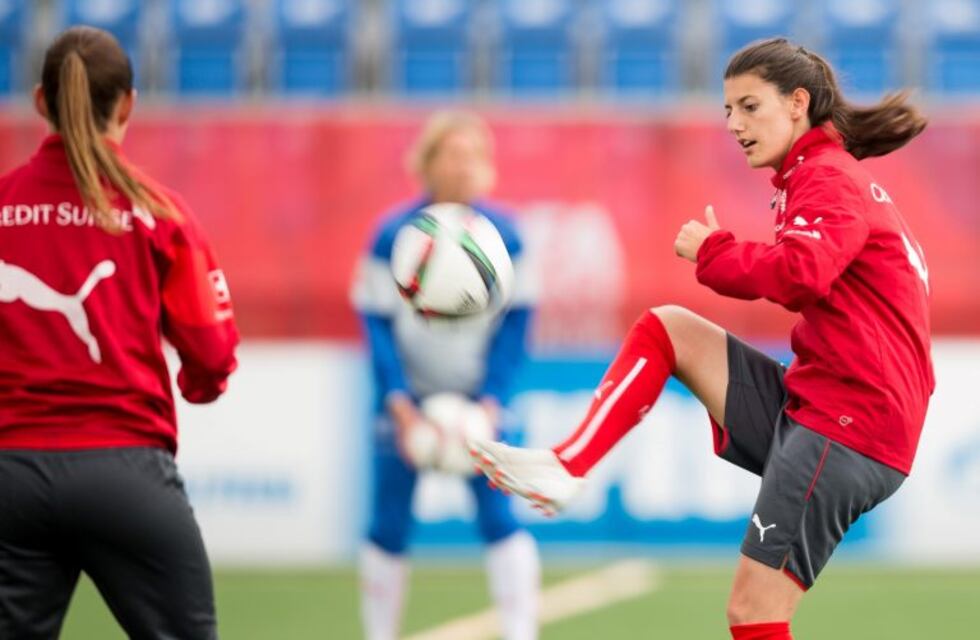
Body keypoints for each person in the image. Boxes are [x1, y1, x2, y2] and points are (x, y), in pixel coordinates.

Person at [471, 37, 933, 640]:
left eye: (749, 106)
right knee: (669, 329)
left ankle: (568, 467)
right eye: (727, 111)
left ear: (797, 103)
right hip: (827, 408)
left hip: (850, 424)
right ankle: (568, 464)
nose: (735, 125)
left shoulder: (827, 178)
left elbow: (801, 274)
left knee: (754, 613)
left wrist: (714, 252)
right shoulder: (818, 177)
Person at [0, 27, 238, 639]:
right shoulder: (159, 210)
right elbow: (212, 355)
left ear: (39, 101)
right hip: (126, 474)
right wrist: (197, 386)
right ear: (128, 104)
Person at [350, 110, 540, 640]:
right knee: (388, 524)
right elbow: (376, 322)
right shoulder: (391, 235)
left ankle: (521, 631)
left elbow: (519, 323)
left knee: (500, 519)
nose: (462, 167)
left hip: (480, 402)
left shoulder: (507, 235)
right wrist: (399, 404)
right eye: (450, 154)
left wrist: (490, 402)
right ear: (426, 162)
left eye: (472, 156)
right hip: (405, 403)